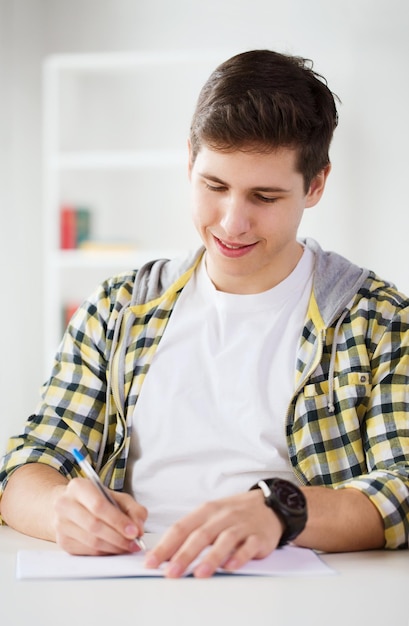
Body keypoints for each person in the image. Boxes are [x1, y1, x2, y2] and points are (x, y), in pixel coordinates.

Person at [0, 49, 408, 578]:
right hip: (130, 591)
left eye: (264, 196)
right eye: (214, 186)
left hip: (299, 600)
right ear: (190, 160)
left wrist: (280, 511)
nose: (232, 223)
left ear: (316, 185)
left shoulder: (377, 321)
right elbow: (28, 465)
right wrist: (61, 511)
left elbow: (403, 482)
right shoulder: (117, 311)